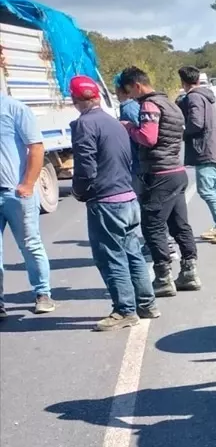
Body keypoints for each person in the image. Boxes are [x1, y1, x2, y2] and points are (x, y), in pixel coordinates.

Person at [68, 76, 159, 331]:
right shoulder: (113, 122)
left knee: (111, 257)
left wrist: (79, 191)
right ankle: (147, 303)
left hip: (106, 201)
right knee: (133, 253)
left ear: (75, 100)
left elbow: (85, 167)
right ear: (97, 96)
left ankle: (124, 310)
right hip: (127, 197)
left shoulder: (84, 124)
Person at [116, 65, 201, 296]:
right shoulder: (171, 104)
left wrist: (129, 127)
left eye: (129, 91)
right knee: (179, 224)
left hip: (159, 174)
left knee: (153, 225)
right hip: (176, 170)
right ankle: (189, 272)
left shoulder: (149, 105)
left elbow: (148, 137)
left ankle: (163, 277)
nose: (130, 97)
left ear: (136, 85)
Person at [0, 92, 54, 319]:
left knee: (30, 244)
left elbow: (36, 147)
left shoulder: (15, 109)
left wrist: (28, 184)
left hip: (15, 193)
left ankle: (43, 293)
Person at [178, 65, 216, 244]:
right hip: (213, 148)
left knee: (206, 190)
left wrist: (182, 132)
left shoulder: (194, 97)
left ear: (184, 81)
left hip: (204, 150)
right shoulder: (205, 96)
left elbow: (196, 123)